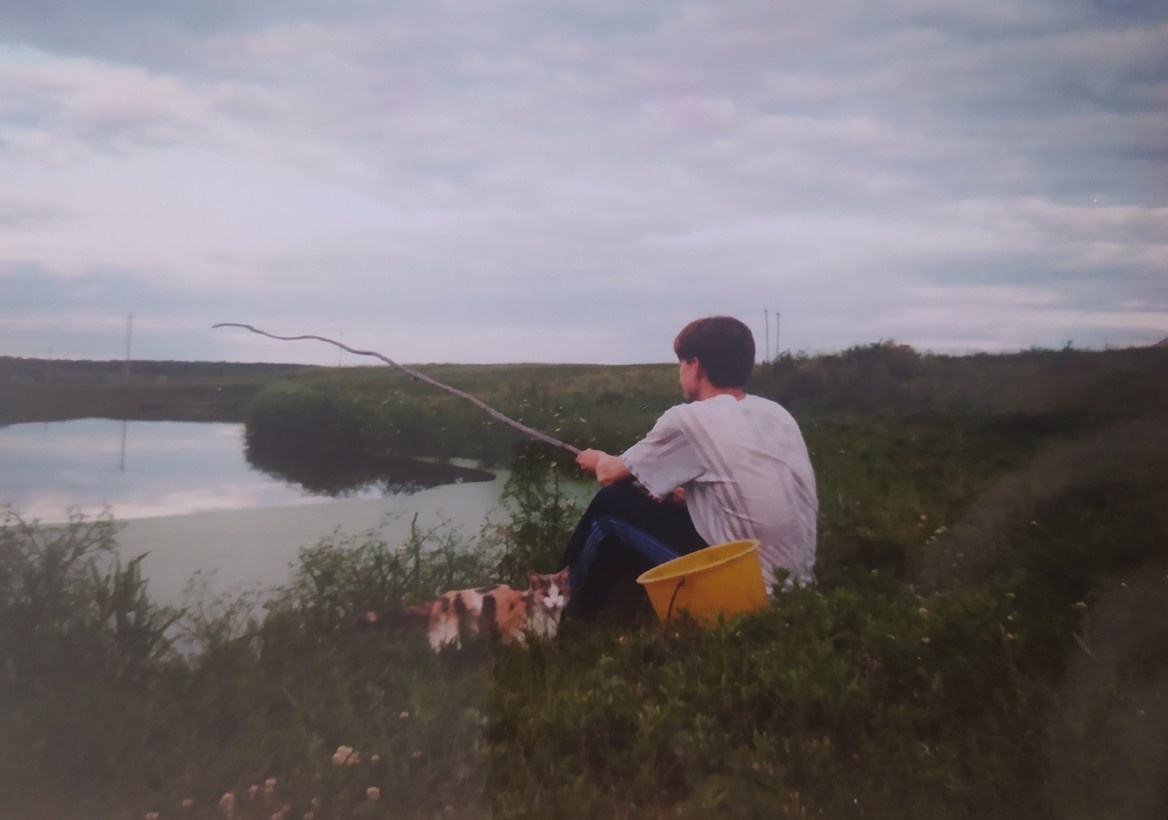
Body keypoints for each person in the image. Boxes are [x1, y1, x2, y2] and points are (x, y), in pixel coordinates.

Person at [558, 315, 818, 617]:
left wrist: (595, 458)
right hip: (796, 588)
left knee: (610, 508)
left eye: (681, 362)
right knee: (652, 499)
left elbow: (609, 474)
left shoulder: (691, 420)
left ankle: (555, 617)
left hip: (747, 593)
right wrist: (679, 498)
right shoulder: (776, 414)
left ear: (696, 366)